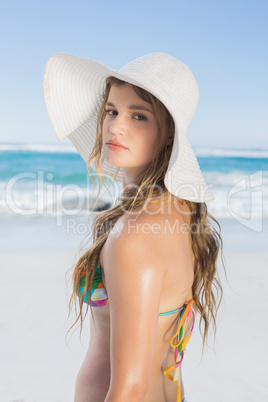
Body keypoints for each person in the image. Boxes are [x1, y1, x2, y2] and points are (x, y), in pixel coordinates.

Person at [43, 52, 224, 402]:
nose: (115, 126)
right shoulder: (180, 211)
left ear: (169, 134)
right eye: (112, 111)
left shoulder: (137, 234)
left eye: (138, 115)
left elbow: (130, 388)